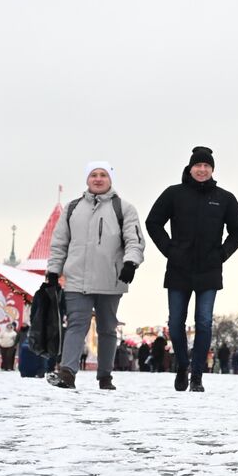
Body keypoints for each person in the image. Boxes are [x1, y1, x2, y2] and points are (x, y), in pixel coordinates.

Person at [146, 146, 238, 394]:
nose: (202, 170)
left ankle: (197, 375)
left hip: (209, 270)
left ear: (212, 170)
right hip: (178, 268)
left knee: (203, 322)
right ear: (190, 168)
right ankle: (182, 365)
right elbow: (153, 222)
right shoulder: (174, 194)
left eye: (206, 166)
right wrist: (170, 249)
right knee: (176, 322)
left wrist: (222, 253)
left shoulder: (224, 198)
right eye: (198, 166)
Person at [45, 162, 146, 391]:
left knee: (107, 329)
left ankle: (105, 376)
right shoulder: (73, 208)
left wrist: (131, 262)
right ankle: (67, 372)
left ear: (110, 179)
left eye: (103, 175)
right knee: (76, 325)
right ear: (87, 179)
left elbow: (135, 240)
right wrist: (53, 270)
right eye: (93, 175)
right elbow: (59, 243)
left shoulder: (124, 208)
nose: (98, 179)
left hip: (110, 279)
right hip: (76, 278)